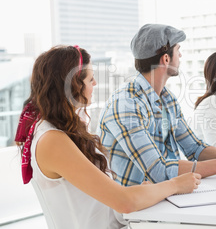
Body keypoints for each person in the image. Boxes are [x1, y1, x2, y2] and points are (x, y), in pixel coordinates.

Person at [14, 45, 201, 229]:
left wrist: (146, 191)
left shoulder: (63, 130)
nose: (95, 84)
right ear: (72, 85)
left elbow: (106, 199)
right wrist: (175, 185)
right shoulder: (52, 140)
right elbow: (123, 202)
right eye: (90, 79)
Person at [98, 24, 216, 187]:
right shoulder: (126, 103)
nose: (180, 55)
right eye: (178, 50)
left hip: (164, 197)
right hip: (133, 207)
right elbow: (158, 171)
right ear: (166, 59)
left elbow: (196, 149)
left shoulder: (168, 99)